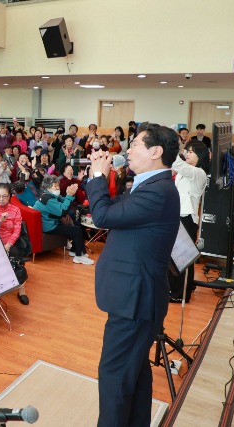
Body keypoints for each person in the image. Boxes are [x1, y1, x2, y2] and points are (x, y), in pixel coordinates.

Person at [87, 123, 180, 427]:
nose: (128, 149)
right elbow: (115, 208)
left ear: (156, 152)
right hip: (136, 296)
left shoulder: (159, 191)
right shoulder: (147, 184)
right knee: (134, 373)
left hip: (135, 300)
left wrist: (98, 176)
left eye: (136, 144)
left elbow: (102, 216)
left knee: (114, 378)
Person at [169, 141, 208, 303]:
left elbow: (177, 163)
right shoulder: (184, 172)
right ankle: (186, 287)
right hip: (178, 216)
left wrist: (170, 145)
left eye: (192, 152)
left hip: (187, 218)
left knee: (181, 258)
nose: (188, 154)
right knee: (181, 257)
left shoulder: (199, 173)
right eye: (188, 151)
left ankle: (180, 295)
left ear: (201, 156)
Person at [33, 174, 93, 265]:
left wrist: (70, 194)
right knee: (76, 230)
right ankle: (79, 256)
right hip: (48, 226)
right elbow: (63, 211)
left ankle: (75, 250)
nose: (57, 188)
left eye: (58, 185)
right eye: (55, 186)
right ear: (48, 188)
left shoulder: (50, 195)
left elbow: (64, 201)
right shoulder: (48, 199)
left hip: (51, 222)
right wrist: (69, 195)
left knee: (77, 224)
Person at [0, 184, 29, 305]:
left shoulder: (15, 210)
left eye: (4, 196)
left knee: (16, 259)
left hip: (11, 241)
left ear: (9, 196)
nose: (1, 199)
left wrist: (8, 245)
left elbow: (17, 230)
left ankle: (21, 289)